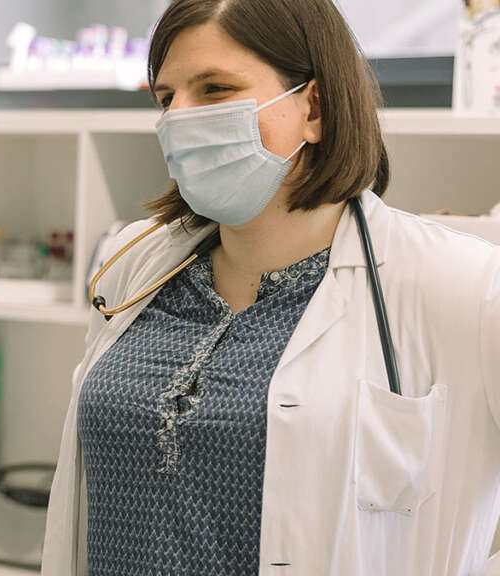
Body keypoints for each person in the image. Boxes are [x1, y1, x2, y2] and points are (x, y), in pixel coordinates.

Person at [42, 0, 500, 575]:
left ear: (315, 106)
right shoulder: (132, 267)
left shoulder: (464, 286)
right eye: (165, 98)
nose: (179, 118)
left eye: (214, 89)